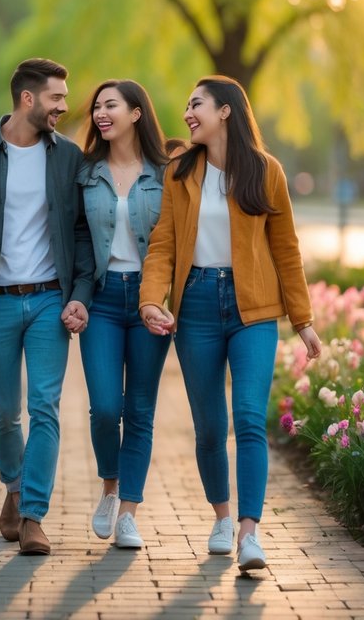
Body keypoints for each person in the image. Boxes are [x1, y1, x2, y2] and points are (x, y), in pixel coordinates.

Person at [138, 76, 322, 571]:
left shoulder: (265, 172)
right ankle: (221, 517)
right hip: (195, 306)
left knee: (247, 418)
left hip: (254, 312)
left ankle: (249, 534)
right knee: (209, 427)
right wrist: (152, 299)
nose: (187, 113)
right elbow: (163, 245)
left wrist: (302, 319)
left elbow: (286, 249)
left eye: (196, 104)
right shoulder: (179, 172)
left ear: (226, 111)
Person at [0, 57, 95, 556]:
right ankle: (12, 486)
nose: (64, 107)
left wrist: (79, 294)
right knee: (5, 411)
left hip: (50, 300)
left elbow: (82, 232)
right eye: (55, 98)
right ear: (27, 99)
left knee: (44, 408)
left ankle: (33, 515)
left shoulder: (68, 157)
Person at [76, 79, 175, 550]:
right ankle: (110, 488)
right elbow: (74, 238)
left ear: (136, 113)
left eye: (110, 105)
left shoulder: (165, 173)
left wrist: (167, 299)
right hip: (101, 300)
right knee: (105, 408)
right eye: (97, 106)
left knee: (139, 410)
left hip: (148, 302)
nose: (100, 112)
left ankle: (130, 512)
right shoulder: (85, 172)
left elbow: (177, 243)